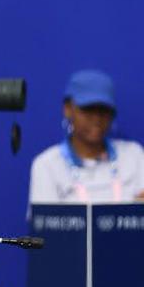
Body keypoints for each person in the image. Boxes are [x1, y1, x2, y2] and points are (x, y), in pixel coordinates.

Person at [29, 69, 144, 204]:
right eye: (88, 109)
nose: (97, 119)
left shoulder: (134, 155)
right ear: (67, 109)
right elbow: (44, 223)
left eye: (104, 110)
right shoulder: (47, 165)